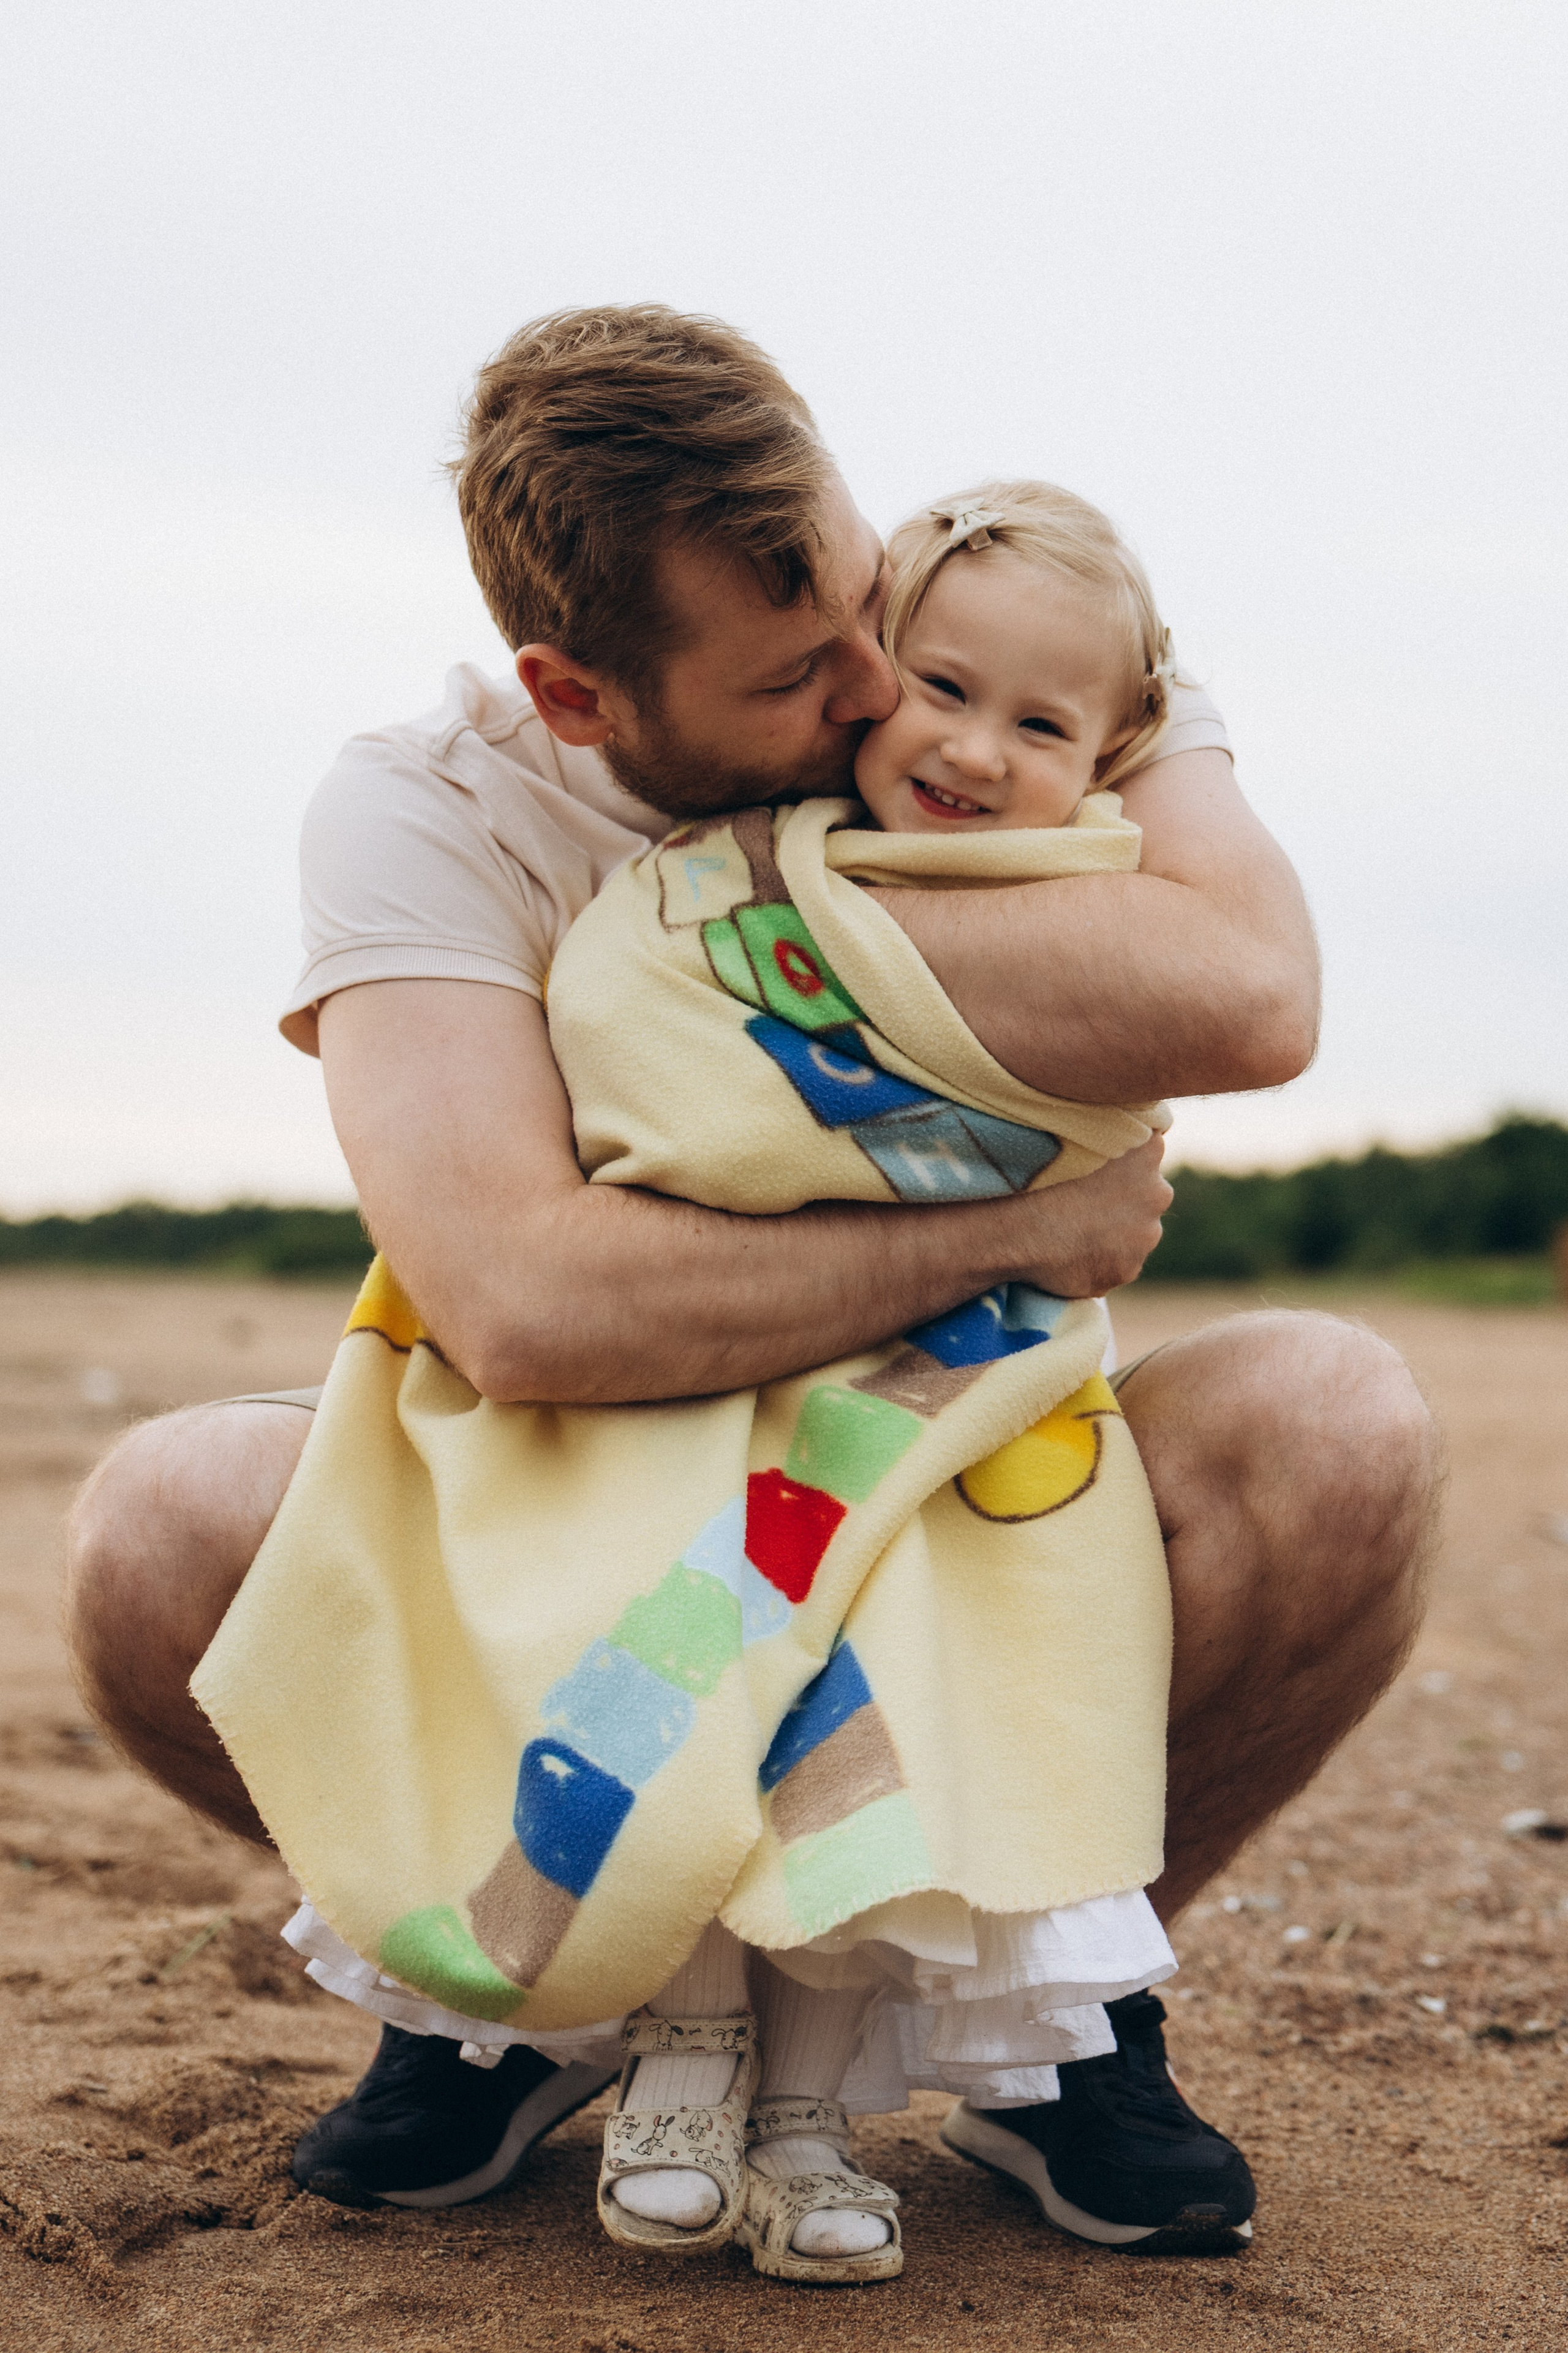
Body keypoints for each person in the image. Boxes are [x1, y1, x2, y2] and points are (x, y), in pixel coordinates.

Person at [64, 306, 1438, 2266]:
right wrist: (1006, 1235)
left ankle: (1055, 2013)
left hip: (958, 1452)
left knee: (1340, 1423)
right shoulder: (426, 812)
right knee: (161, 1528)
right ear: (578, 694)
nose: (896, 695)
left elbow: (1255, 998)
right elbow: (523, 1302)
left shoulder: (996, 669)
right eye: (809, 674)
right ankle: (527, 1996)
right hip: (574, 1458)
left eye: (876, 602)